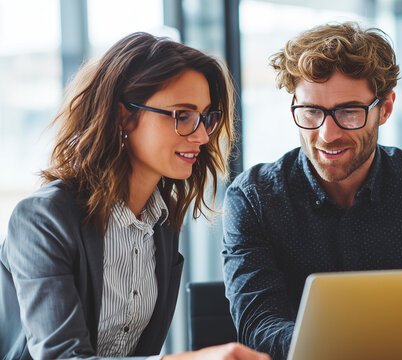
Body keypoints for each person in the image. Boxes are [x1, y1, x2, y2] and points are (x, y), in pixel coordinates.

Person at [221, 22, 402, 360]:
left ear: (385, 108)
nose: (327, 134)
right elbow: (259, 328)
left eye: (348, 112)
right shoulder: (255, 198)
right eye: (311, 111)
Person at [0, 32, 269, 360]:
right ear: (123, 116)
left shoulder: (161, 223)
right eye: (182, 115)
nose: (200, 135)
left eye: (206, 117)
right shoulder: (42, 219)